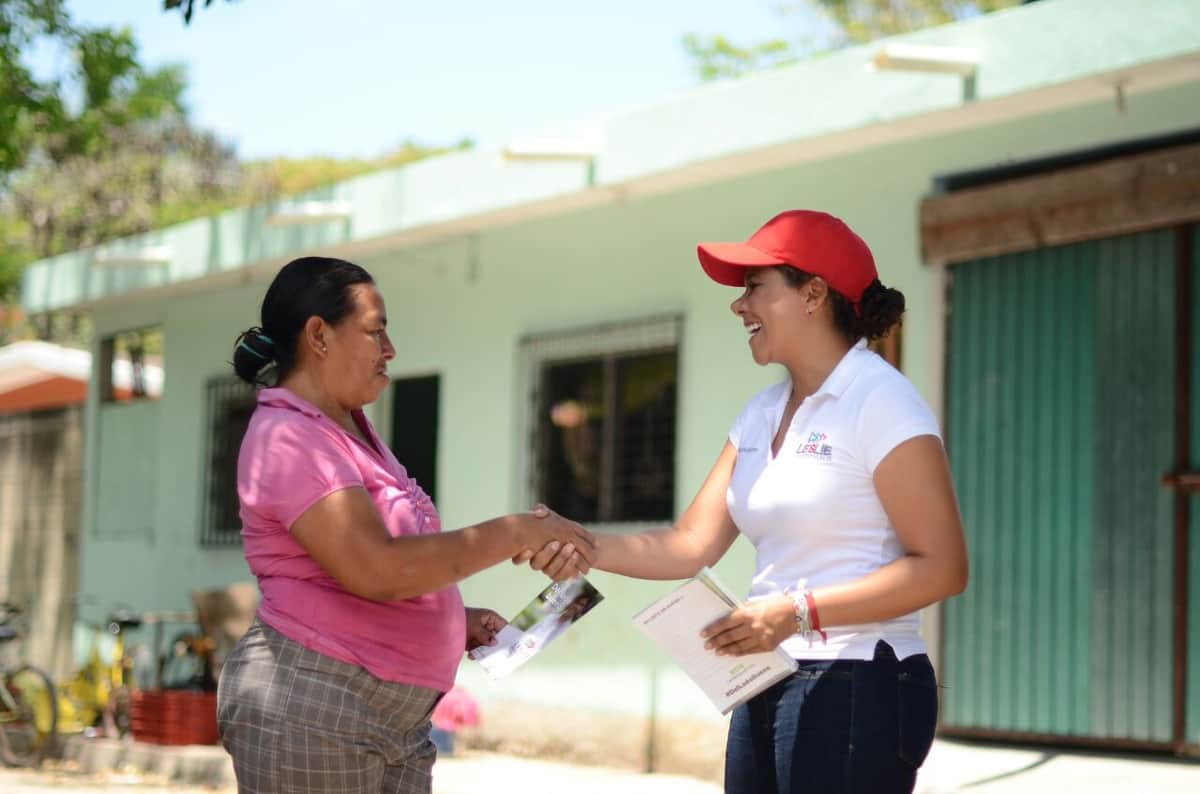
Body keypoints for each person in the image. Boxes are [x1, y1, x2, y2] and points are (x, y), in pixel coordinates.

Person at [556, 211, 968, 793]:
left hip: (859, 680)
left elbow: (944, 568)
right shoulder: (760, 414)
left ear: (814, 294)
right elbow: (687, 544)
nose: (738, 305)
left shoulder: (882, 403)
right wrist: (582, 544)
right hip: (766, 672)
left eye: (755, 286)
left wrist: (794, 611)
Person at [216, 256, 593, 794]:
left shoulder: (350, 427)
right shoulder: (289, 436)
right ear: (318, 335)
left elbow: (374, 567)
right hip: (317, 706)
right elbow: (377, 569)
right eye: (375, 331)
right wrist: (515, 532)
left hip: (392, 722)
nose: (389, 350)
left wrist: (450, 617)